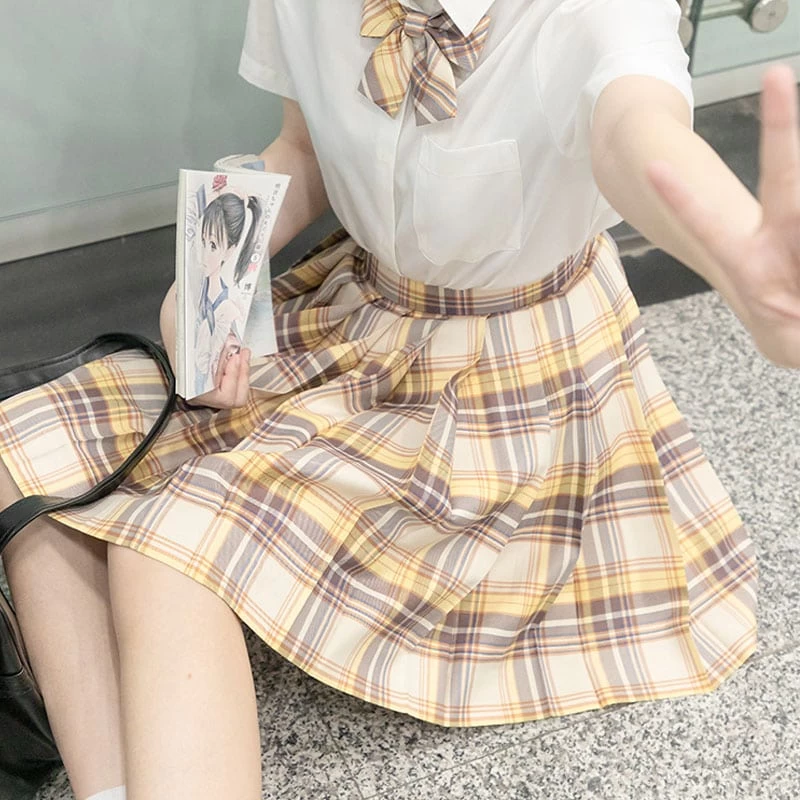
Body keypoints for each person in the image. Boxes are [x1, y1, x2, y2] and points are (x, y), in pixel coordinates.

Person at [1, 1, 799, 798]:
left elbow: (639, 131)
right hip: (362, 318)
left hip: (513, 385)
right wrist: (209, 280)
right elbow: (303, 148)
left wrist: (739, 253)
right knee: (23, 447)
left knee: (166, 542)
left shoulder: (589, 12)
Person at [193, 187, 262, 396]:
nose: (204, 253)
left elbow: (207, 367)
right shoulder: (201, 291)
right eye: (203, 242)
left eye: (213, 245)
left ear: (230, 250)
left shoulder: (228, 310)